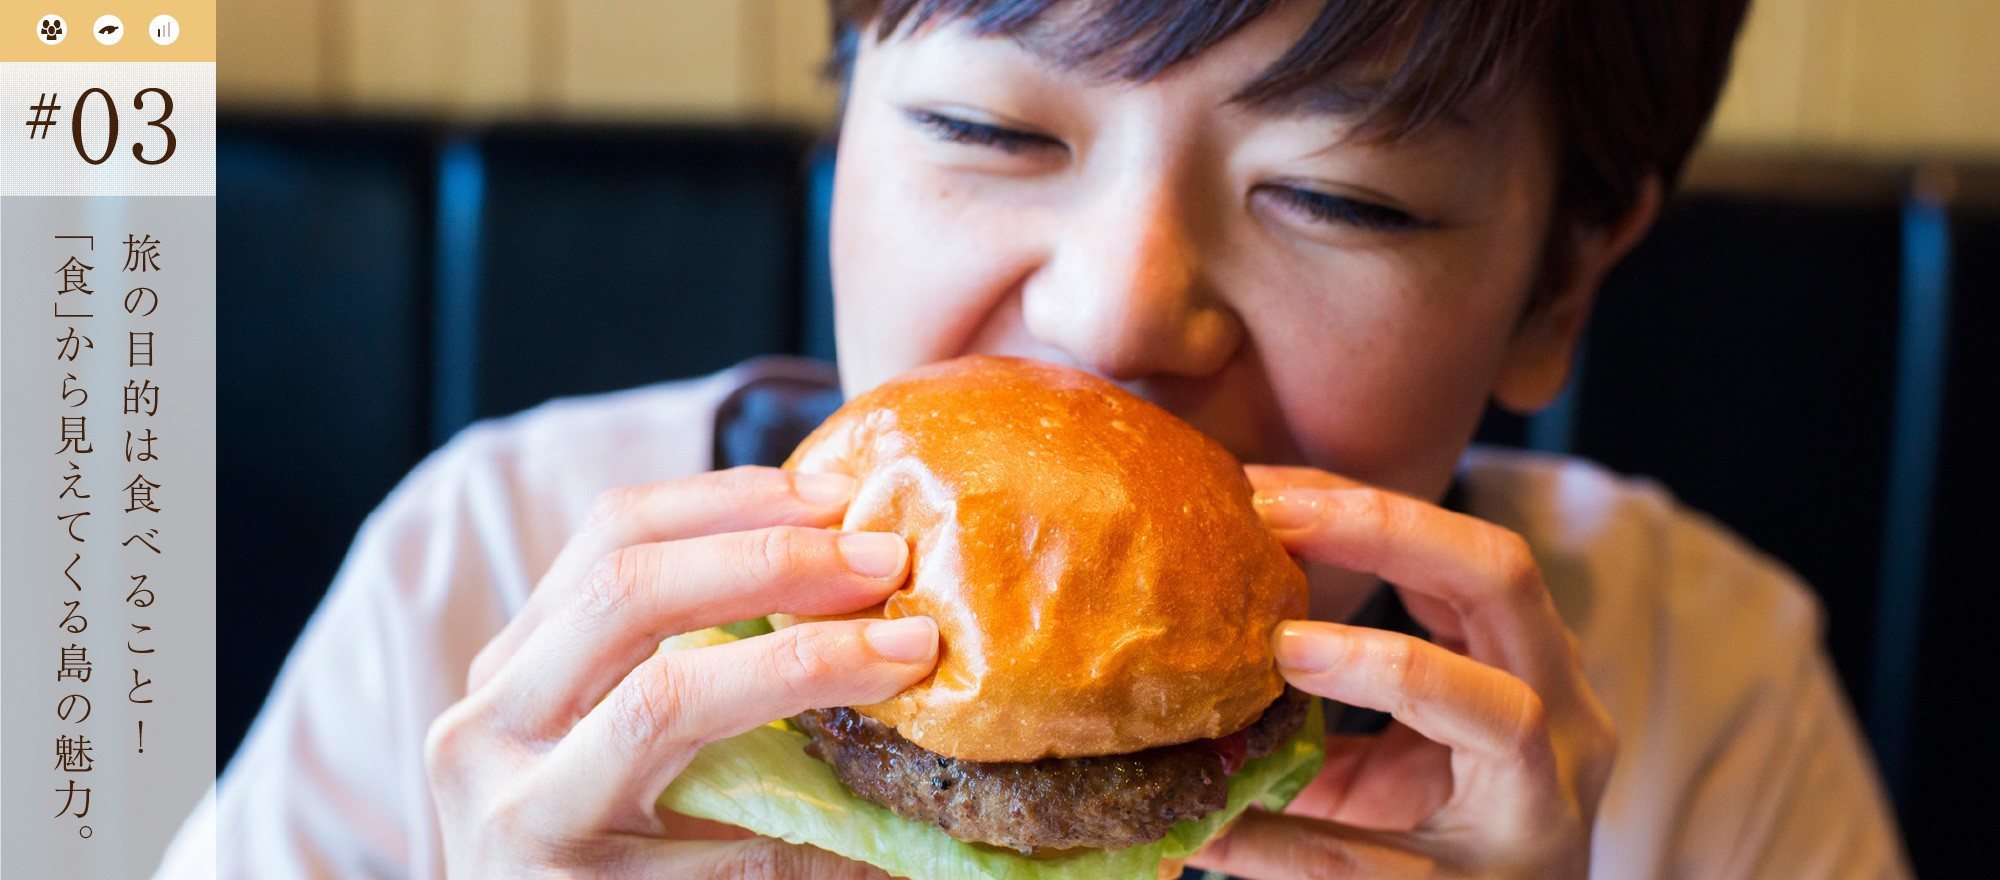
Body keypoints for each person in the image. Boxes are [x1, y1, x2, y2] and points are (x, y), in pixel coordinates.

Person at [157, 0, 1913, 877]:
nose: (1112, 316)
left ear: (1557, 288)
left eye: (1332, 196)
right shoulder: (484, 580)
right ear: (846, 135)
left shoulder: (1711, 706)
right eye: (986, 127)